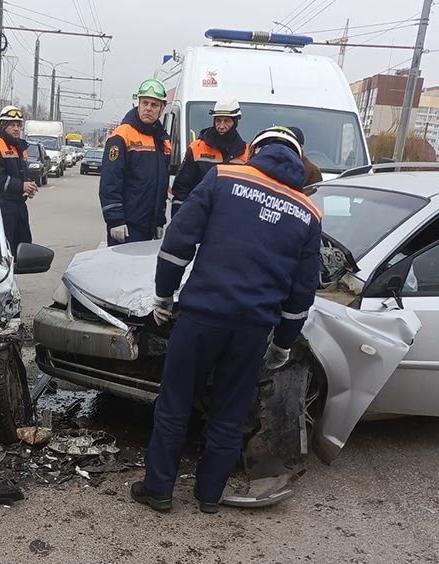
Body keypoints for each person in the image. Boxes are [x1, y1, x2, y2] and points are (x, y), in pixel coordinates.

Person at [130, 126, 322, 514]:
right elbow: (302, 293)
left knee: (175, 403)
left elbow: (177, 243)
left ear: (255, 148)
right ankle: (209, 496)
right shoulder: (308, 211)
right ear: (299, 160)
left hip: (201, 316)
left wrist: (164, 296)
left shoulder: (224, 177)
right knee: (230, 411)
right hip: (252, 329)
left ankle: (160, 490)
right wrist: (283, 342)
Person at [99, 79, 171, 246]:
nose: (148, 108)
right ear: (138, 104)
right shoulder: (122, 135)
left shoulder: (162, 140)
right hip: (126, 226)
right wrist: (115, 220)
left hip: (148, 226)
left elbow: (161, 184)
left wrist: (159, 220)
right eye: (144, 103)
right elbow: (110, 181)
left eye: (154, 105)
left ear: (161, 109)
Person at [170, 97, 248, 218]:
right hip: (199, 217)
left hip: (232, 221)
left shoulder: (246, 153)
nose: (221, 126)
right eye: (218, 120)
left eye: (227, 121)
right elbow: (181, 191)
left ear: (235, 122)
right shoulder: (197, 148)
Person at [0, 105, 38, 252]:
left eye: (18, 125)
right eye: (12, 125)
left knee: (23, 247)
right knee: (6, 249)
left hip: (19, 206)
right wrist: (21, 186)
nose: (16, 129)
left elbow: (21, 175)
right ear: (3, 126)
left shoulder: (18, 148)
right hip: (3, 208)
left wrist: (29, 187)